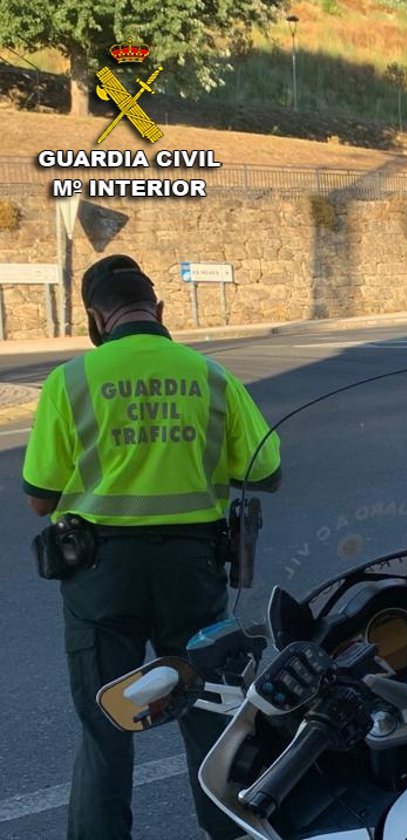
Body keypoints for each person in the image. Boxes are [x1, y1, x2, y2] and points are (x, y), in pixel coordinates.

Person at [21, 254, 281, 840]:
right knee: (210, 713)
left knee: (105, 723)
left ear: (96, 319)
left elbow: (40, 498)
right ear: (158, 309)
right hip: (192, 571)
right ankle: (230, 831)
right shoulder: (210, 376)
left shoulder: (71, 380)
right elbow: (266, 470)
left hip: (98, 574)